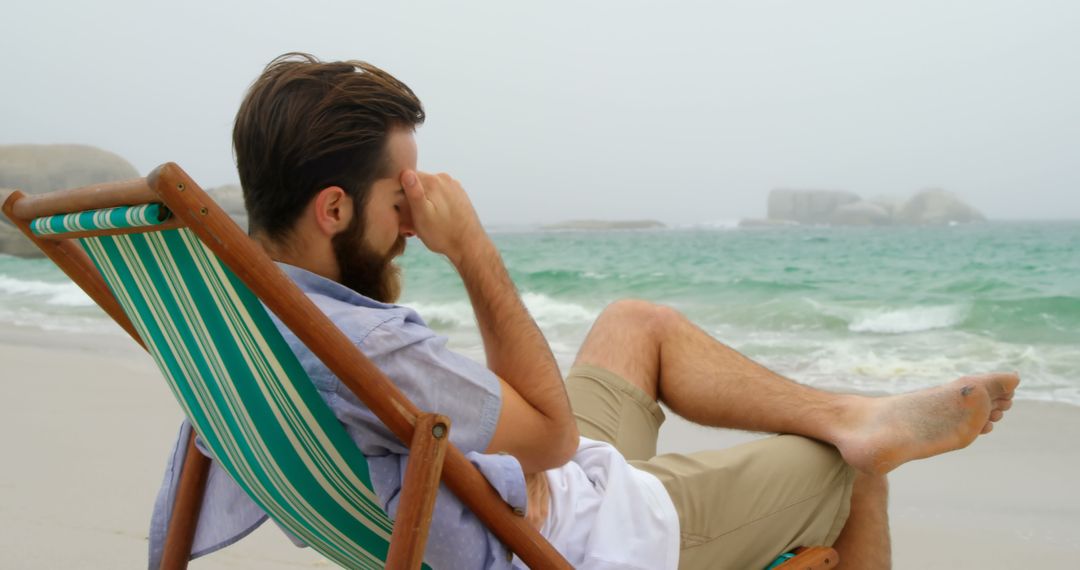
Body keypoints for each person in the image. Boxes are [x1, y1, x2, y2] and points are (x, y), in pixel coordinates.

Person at [149, 53, 1019, 570]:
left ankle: (853, 413)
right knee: (847, 474)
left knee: (634, 321)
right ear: (332, 211)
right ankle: (853, 440)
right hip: (583, 534)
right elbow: (556, 441)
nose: (412, 220)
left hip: (522, 492)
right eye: (398, 198)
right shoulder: (367, 347)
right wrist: (473, 248)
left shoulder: (227, 315)